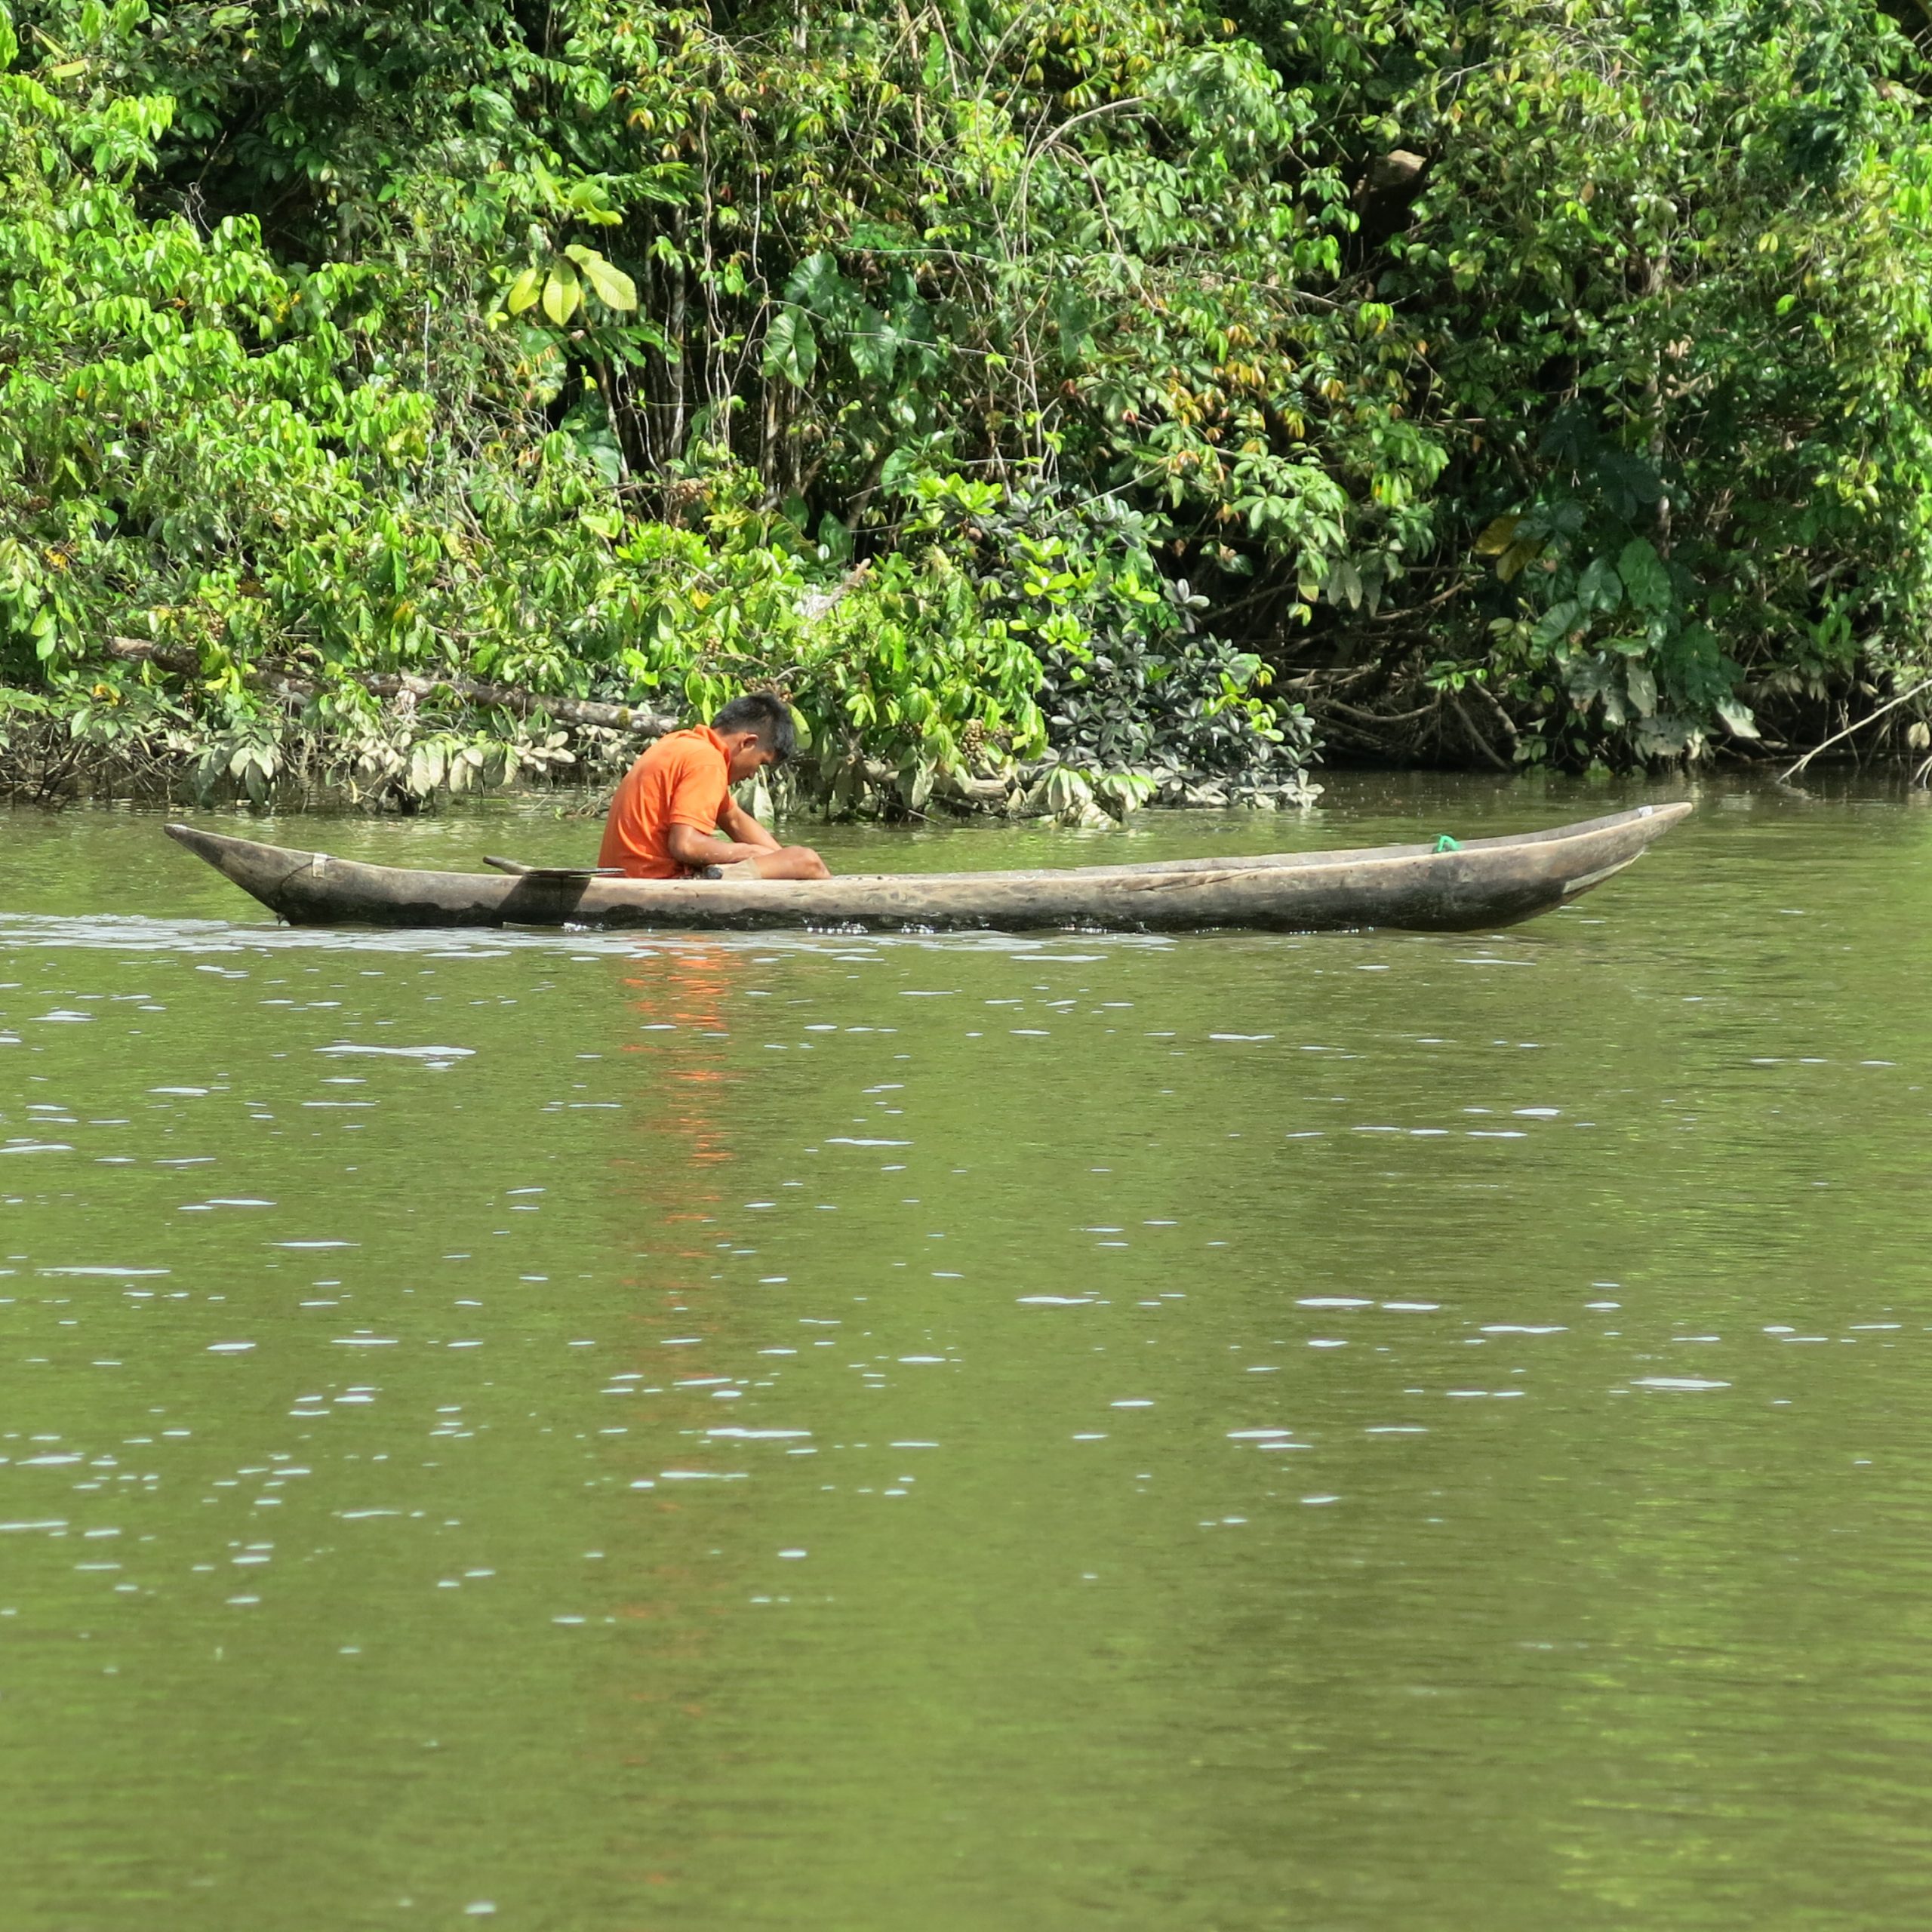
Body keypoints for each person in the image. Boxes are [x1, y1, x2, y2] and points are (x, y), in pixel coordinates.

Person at [597, 693, 830, 881]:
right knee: (806, 859)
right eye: (760, 763)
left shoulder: (681, 743)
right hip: (651, 881)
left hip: (625, 877)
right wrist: (751, 853)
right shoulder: (707, 760)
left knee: (796, 861)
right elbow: (685, 845)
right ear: (748, 743)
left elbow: (735, 818)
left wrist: (780, 860)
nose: (751, 776)